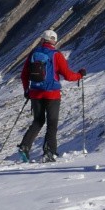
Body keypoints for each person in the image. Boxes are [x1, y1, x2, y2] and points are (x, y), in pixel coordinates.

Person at [18, 29, 85, 162]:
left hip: (35, 93)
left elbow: (24, 75)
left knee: (38, 121)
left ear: (42, 39)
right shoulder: (56, 55)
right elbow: (68, 75)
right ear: (54, 41)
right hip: (52, 95)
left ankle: (25, 146)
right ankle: (49, 152)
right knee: (52, 124)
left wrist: (27, 90)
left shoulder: (33, 53)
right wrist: (80, 74)